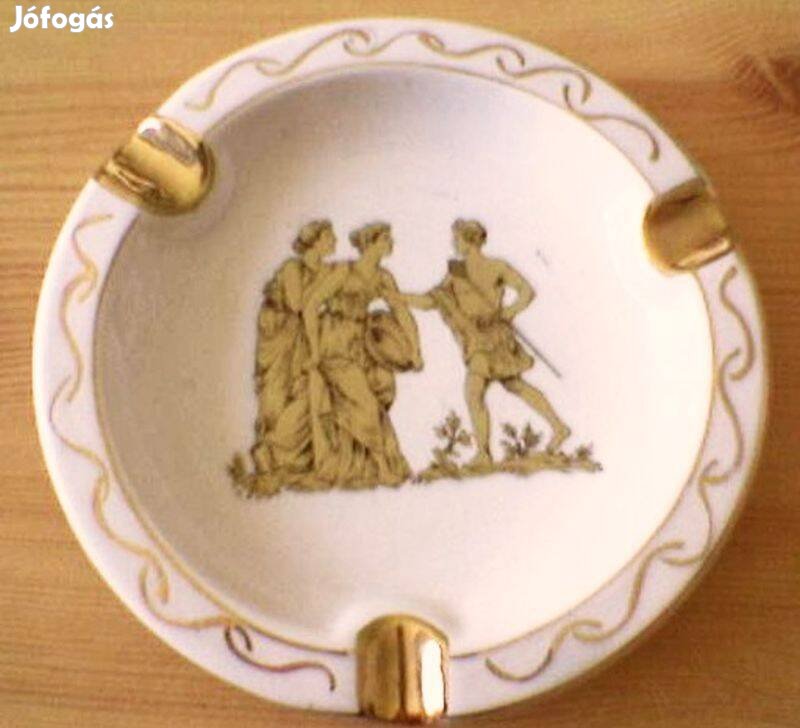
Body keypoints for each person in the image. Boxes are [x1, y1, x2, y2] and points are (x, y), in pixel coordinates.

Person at [394, 219, 570, 469]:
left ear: (469, 241)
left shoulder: (497, 266)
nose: (454, 243)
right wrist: (399, 298)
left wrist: (508, 312)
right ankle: (559, 427)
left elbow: (527, 291)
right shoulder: (456, 271)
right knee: (515, 385)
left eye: (457, 239)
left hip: (495, 337)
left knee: (474, 392)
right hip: (475, 337)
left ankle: (484, 454)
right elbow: (433, 300)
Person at [300, 222, 422, 488]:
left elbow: (402, 313)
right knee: (365, 404)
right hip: (335, 345)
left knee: (383, 389)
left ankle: (361, 462)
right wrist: (315, 349)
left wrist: (415, 349)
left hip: (363, 344)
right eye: (386, 239)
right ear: (370, 243)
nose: (391, 243)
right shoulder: (344, 271)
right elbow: (310, 306)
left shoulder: (383, 278)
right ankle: (383, 467)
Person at [243, 219, 337, 490]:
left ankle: (290, 457)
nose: (334, 241)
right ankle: (268, 452)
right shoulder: (292, 268)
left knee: (305, 390)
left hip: (303, 334)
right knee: (277, 393)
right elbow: (297, 304)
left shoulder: (324, 270)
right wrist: (326, 286)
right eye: (329, 237)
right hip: (281, 333)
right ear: (315, 242)